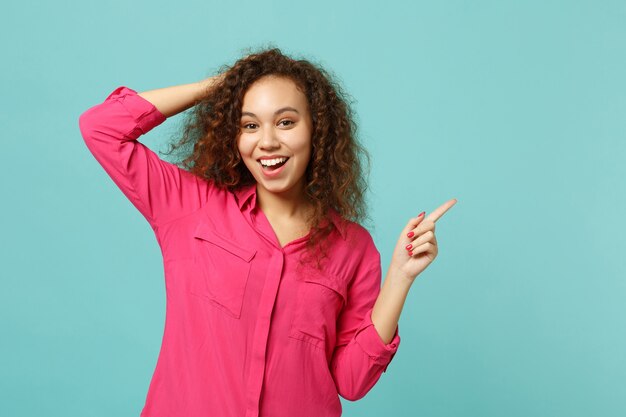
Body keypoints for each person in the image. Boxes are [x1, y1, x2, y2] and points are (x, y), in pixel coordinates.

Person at [78, 47, 456, 417]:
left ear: (316, 131)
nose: (268, 141)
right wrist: (221, 87)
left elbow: (351, 381)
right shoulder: (190, 207)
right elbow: (101, 127)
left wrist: (400, 278)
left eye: (286, 122)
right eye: (250, 124)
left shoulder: (353, 248)